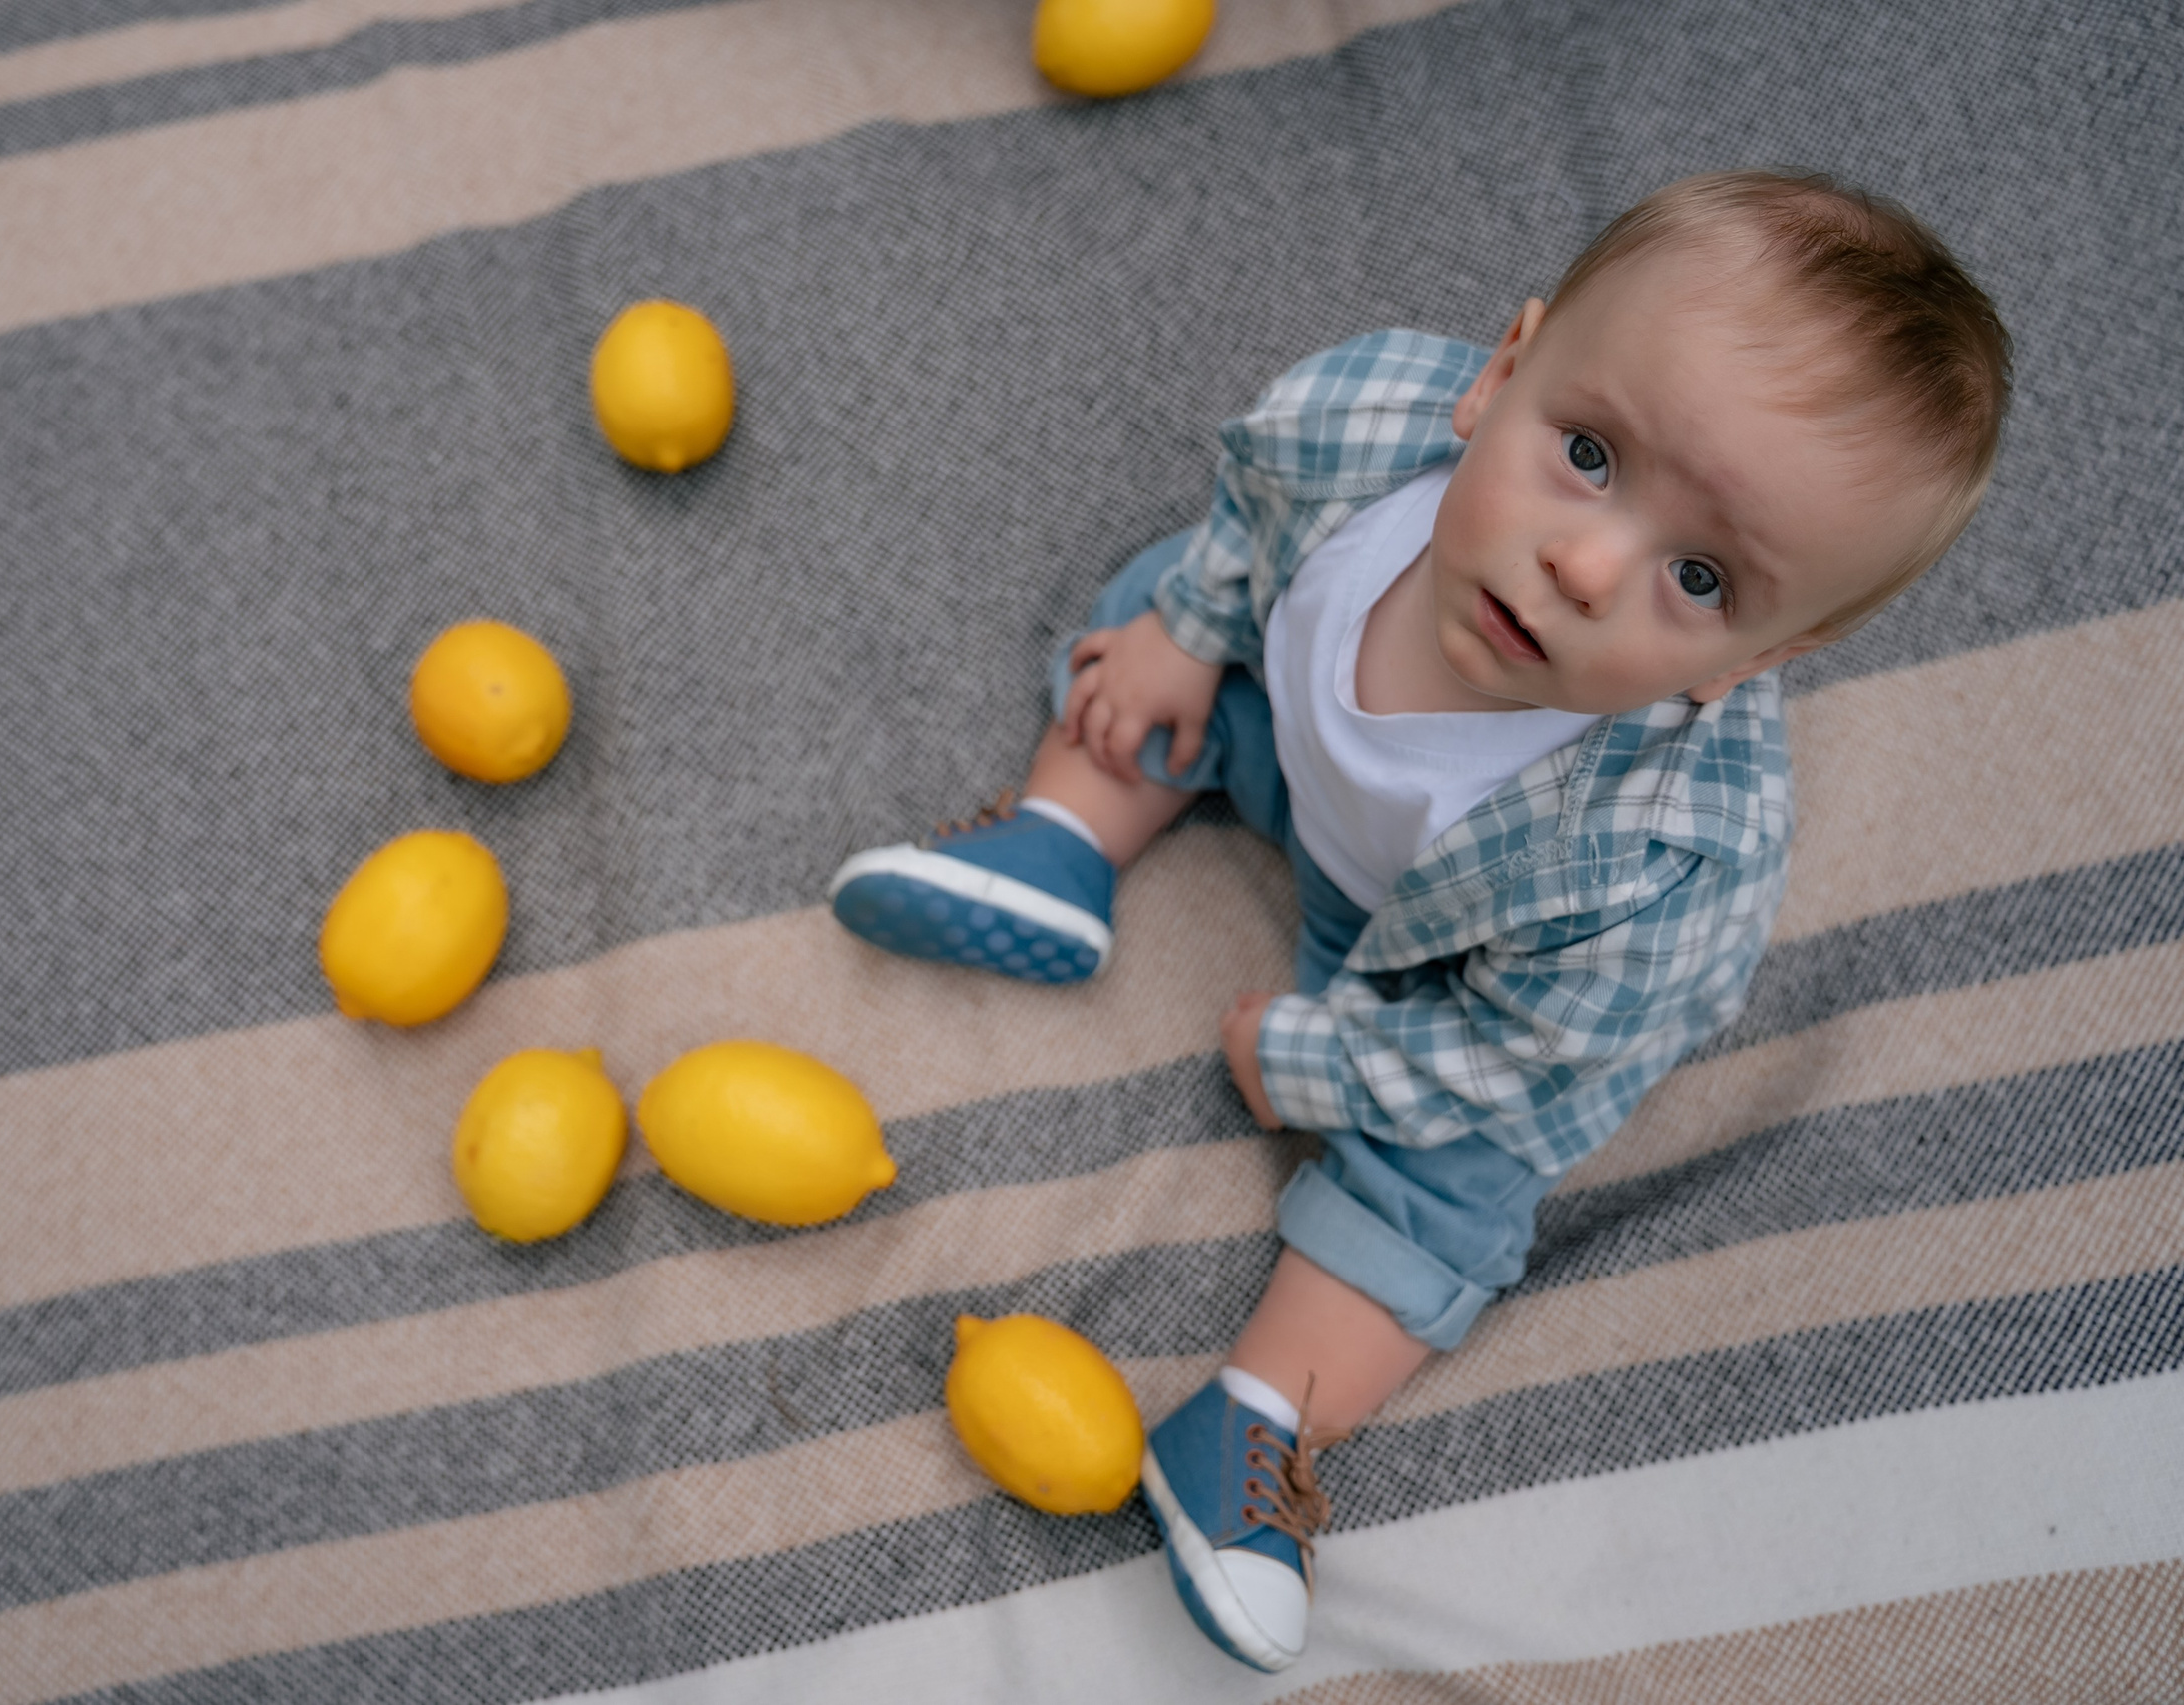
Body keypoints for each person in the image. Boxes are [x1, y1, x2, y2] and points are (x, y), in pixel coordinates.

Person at [826, 171, 2013, 1671]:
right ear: (1501, 373)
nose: (1585, 566)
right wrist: (1190, 634)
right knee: (1155, 615)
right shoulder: (1364, 416)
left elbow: (1528, 1060)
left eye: (1700, 578)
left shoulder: (1661, 860)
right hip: (1286, 731)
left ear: (1765, 654)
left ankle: (1259, 1418)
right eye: (1588, 454)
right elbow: (1249, 516)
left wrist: (1321, 1064)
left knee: (1458, 1190)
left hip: (1441, 973)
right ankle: (1061, 837)